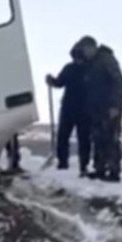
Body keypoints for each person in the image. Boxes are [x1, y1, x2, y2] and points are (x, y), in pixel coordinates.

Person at [80, 36, 122, 182]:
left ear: (93, 47)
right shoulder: (90, 63)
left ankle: (114, 171)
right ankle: (100, 168)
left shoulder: (106, 60)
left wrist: (114, 105)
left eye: (87, 49)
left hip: (110, 106)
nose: (86, 52)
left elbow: (119, 82)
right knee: (98, 139)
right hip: (96, 108)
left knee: (111, 139)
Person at [46, 42, 91, 175]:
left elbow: (59, 83)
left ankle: (82, 165)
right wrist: (51, 81)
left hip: (83, 109)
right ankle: (63, 162)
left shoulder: (90, 69)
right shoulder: (70, 68)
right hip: (70, 108)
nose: (78, 59)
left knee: (83, 138)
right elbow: (59, 83)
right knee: (64, 136)